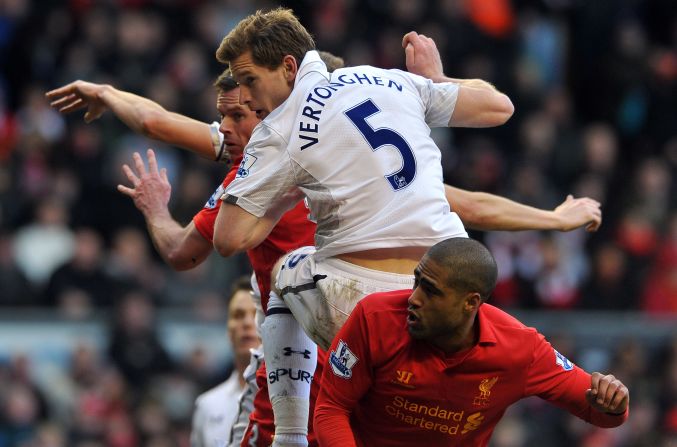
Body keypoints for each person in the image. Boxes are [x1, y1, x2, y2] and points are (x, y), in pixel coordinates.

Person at [46, 36, 600, 447]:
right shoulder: (358, 163)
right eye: (233, 115)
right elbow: (160, 121)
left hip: (328, 345)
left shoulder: (261, 168)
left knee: (289, 286)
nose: (240, 123)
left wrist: (155, 210)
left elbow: (187, 248)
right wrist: (555, 219)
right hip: (372, 335)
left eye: (248, 110)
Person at [314, 237, 629, 446]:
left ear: (470, 302)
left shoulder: (522, 349)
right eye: (417, 282)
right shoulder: (375, 317)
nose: (414, 299)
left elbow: (601, 414)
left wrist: (615, 404)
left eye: (431, 291)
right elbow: (331, 408)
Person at [191, 277, 260, 447]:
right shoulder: (207, 405)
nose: (246, 323)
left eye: (257, 313)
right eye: (238, 315)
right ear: (228, 330)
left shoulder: (294, 398)